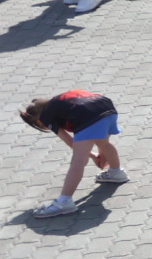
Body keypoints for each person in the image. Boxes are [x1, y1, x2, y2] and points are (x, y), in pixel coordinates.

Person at [21, 90, 129, 219]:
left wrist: (93, 156)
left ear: (38, 122)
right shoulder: (60, 102)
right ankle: (116, 172)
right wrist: (98, 154)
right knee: (104, 143)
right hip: (106, 107)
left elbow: (71, 142)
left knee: (78, 162)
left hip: (87, 116)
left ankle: (64, 202)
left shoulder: (46, 115)